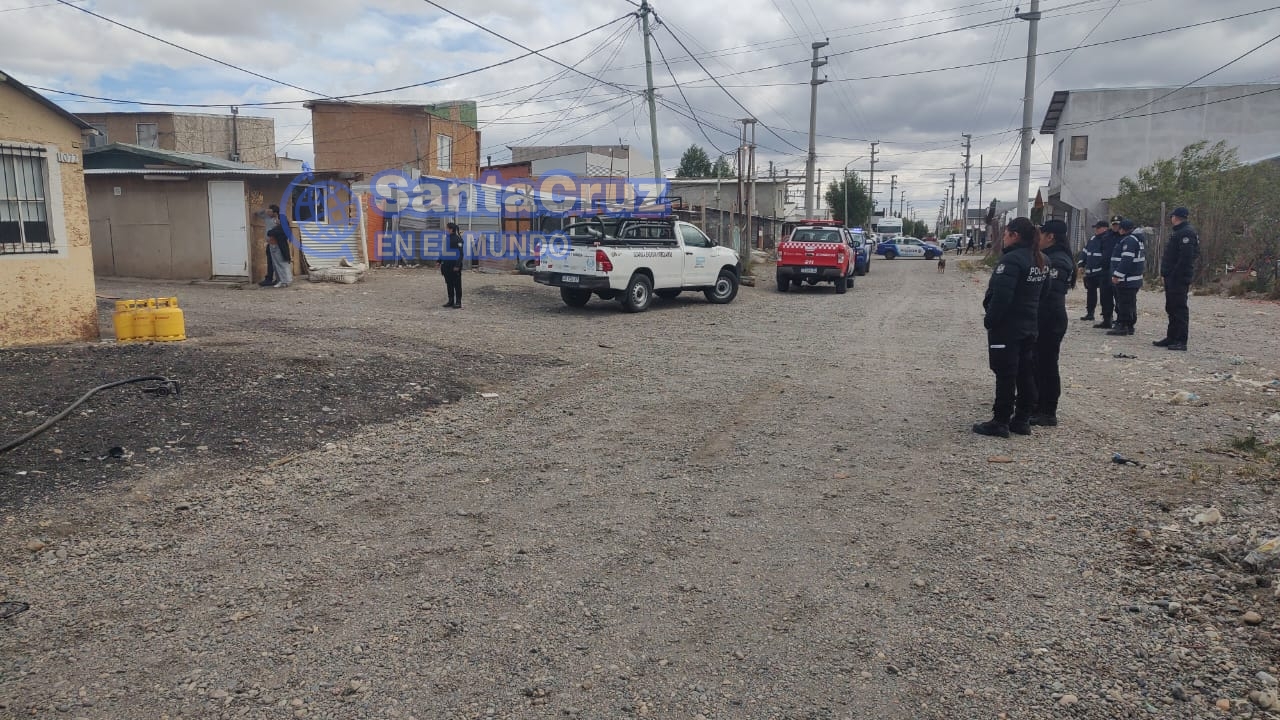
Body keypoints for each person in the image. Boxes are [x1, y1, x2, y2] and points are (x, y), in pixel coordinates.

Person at [974, 217, 1048, 438]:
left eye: (1006, 234)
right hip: (1029, 325)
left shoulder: (1011, 261)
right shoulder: (1042, 259)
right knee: (1025, 372)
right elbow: (1044, 294)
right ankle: (1022, 419)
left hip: (1007, 328)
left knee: (1005, 374)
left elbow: (1002, 297)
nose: (1003, 238)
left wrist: (990, 320)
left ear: (1015, 235)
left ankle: (1000, 421)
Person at [1032, 219, 1075, 427]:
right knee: (1036, 362)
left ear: (1050, 237)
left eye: (1041, 234)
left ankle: (1048, 411)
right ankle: (1035, 404)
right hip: (1044, 316)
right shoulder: (1048, 256)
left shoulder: (1058, 261)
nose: (1037, 238)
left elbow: (1050, 295)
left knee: (1047, 365)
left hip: (1050, 318)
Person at [1154, 207, 1199, 351]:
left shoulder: (1186, 232)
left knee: (1179, 308)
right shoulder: (1179, 232)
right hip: (1172, 276)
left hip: (1178, 277)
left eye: (1172, 216)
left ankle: (1180, 340)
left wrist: (1174, 274)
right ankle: (1172, 337)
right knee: (1171, 307)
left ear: (1175, 217)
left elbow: (1186, 257)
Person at [1107, 219, 1145, 336]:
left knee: (1124, 303)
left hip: (1127, 279)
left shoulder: (1129, 241)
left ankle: (1123, 325)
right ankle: (1129, 325)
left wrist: (1117, 275)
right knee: (1130, 302)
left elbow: (1126, 260)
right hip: (1133, 279)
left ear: (1122, 229)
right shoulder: (1136, 239)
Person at [1094, 216, 1122, 328]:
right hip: (1105, 270)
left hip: (1117, 270)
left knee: (1119, 297)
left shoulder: (1125, 237)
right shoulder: (1106, 236)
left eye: (1117, 224)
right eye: (1114, 224)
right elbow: (1102, 250)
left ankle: (1121, 321)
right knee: (1105, 296)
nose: (1115, 226)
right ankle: (1107, 319)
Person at [1078, 220, 1108, 320]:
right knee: (1091, 293)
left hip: (1102, 272)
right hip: (1091, 272)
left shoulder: (1108, 239)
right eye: (1096, 228)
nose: (1096, 230)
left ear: (1105, 228)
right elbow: (1085, 252)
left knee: (1105, 294)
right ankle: (1090, 313)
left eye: (1098, 228)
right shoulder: (1093, 239)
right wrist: (1081, 264)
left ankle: (1107, 316)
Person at [265, 204, 292, 288]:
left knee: (282, 263)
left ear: (275, 212)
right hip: (272, 245)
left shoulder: (282, 219)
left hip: (279, 245)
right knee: (276, 264)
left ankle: (285, 281)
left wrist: (271, 232)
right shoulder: (273, 219)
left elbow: (282, 231)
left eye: (270, 212)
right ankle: (280, 280)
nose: (268, 213)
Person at [441, 221, 464, 308]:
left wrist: (457, 265)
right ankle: (450, 301)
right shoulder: (446, 239)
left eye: (447, 228)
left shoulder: (458, 239)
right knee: (449, 283)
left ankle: (458, 302)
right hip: (446, 266)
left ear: (451, 229)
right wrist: (439, 261)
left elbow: (461, 254)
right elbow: (443, 252)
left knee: (457, 284)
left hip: (454, 266)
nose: (446, 230)